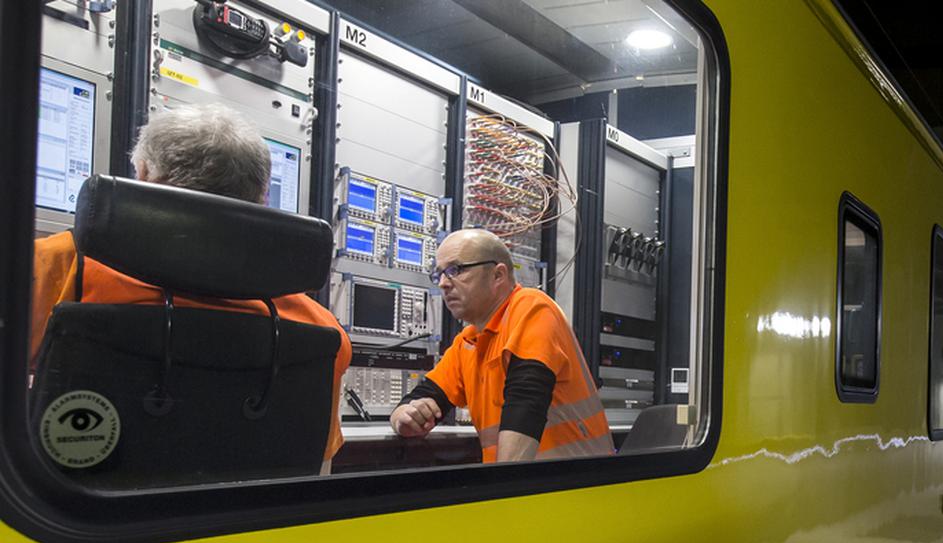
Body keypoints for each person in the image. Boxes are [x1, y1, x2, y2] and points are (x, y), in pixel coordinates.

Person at [29, 103, 353, 465]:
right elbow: (313, 465)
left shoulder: (48, 269)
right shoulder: (325, 334)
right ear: (262, 196)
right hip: (245, 520)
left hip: (69, 514)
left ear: (144, 174)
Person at [390, 229, 613, 462]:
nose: (444, 284)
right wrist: (405, 418)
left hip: (577, 487)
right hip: (535, 487)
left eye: (456, 270)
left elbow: (526, 404)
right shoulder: (468, 342)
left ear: (498, 275)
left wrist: (501, 489)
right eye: (439, 275)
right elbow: (423, 396)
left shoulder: (532, 308)